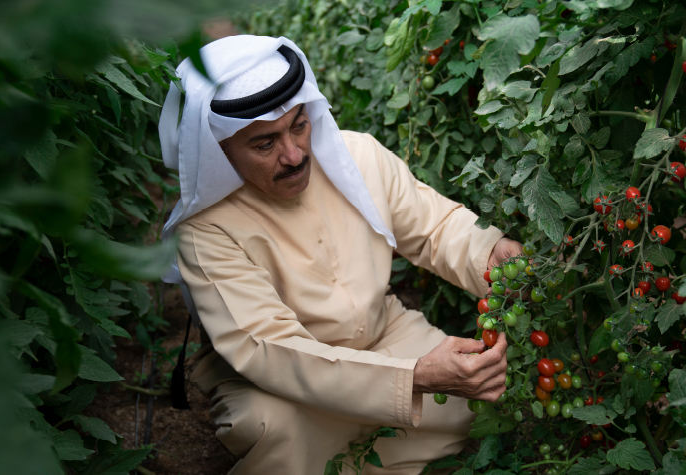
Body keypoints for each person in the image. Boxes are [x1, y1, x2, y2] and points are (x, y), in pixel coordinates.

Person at [158, 35, 522, 474]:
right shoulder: (206, 230)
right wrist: (414, 378)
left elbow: (435, 227)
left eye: (298, 125)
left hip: (385, 335)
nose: (294, 155)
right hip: (279, 378)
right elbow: (270, 348)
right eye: (264, 144)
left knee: (474, 407)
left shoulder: (356, 157)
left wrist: (491, 253)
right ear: (220, 151)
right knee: (271, 428)